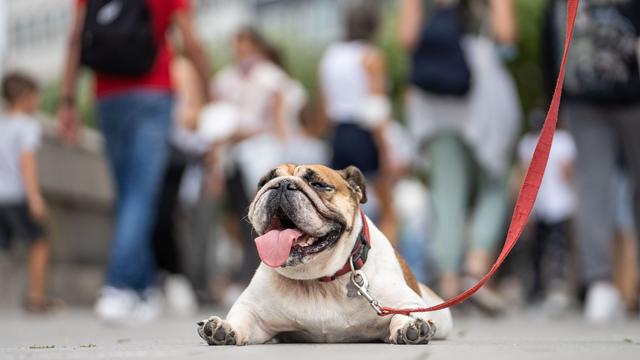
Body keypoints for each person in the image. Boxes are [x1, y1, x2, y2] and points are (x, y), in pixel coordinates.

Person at [58, 0, 211, 324]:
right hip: (153, 94)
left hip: (106, 97)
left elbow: (75, 39)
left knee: (127, 195)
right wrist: (209, 93)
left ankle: (143, 289)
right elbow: (192, 40)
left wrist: (67, 100)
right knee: (141, 195)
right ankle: (118, 287)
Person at [399, 0, 519, 312]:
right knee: (494, 184)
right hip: (482, 90)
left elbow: (407, 38)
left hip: (434, 100)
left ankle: (449, 284)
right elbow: (506, 35)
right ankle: (474, 269)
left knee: (446, 190)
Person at [544, 0, 640, 322]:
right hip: (597, 96)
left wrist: (553, 101)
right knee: (595, 186)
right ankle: (602, 283)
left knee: (593, 186)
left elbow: (551, 35)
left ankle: (601, 284)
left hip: (597, 93)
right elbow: (551, 33)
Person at [212, 27, 289, 300]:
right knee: (237, 216)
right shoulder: (225, 80)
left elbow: (278, 122)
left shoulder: (271, 77)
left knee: (260, 217)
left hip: (260, 154)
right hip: (234, 157)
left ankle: (256, 273)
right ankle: (243, 273)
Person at [319, 1, 397, 243]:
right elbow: (375, 108)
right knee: (387, 207)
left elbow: (325, 104)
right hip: (364, 133)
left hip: (339, 133)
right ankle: (390, 260)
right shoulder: (370, 56)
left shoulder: (330, 56)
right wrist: (386, 148)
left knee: (340, 205)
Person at [0, 72, 58, 313]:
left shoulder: (2, 123)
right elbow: (27, 162)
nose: (38, 101)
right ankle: (36, 297)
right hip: (17, 194)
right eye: (36, 96)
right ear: (25, 97)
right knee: (39, 243)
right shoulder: (27, 126)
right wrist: (34, 197)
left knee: (4, 247)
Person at [518, 109, 576, 314]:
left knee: (540, 250)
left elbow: (524, 174)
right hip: (556, 204)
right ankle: (553, 287)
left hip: (546, 204)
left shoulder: (528, 142)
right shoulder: (564, 140)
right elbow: (568, 172)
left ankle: (541, 289)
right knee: (556, 248)